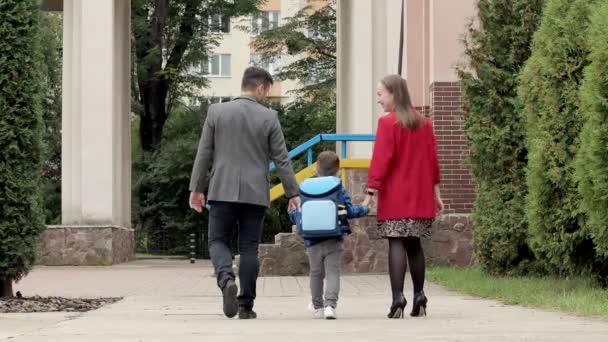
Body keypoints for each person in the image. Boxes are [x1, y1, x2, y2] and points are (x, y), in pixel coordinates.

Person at [189, 67, 300, 319]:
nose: (266, 96)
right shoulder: (269, 117)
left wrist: (196, 188)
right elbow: (282, 160)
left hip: (221, 189)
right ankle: (245, 306)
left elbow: (203, 154)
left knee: (217, 240)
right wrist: (293, 193)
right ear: (259, 87)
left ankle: (226, 279)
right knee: (249, 247)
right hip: (255, 192)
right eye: (267, 91)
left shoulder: (216, 112)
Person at [365, 75, 444, 319]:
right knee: (414, 244)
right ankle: (419, 295)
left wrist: (370, 192)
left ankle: (398, 298)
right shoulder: (425, 123)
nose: (378, 99)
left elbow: (381, 160)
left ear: (393, 94)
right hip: (420, 197)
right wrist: (437, 195)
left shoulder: (387, 123)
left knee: (396, 242)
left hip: (396, 196)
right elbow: (433, 163)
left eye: (380, 94)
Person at [289, 151, 369, 320]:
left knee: (315, 273)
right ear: (338, 170)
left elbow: (298, 213)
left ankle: (317, 307)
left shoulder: (305, 187)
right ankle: (330, 307)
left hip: (311, 239)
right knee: (332, 272)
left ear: (316, 169)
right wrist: (365, 208)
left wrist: (292, 214)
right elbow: (350, 211)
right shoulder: (338, 188)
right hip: (334, 237)